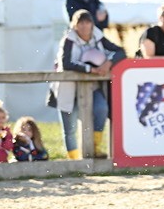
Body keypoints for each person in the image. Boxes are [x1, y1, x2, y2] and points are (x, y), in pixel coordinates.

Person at [49, 10, 122, 159]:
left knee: (101, 109)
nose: (84, 26)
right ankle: (74, 160)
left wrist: (108, 63)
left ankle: (95, 148)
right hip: (67, 88)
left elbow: (120, 51)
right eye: (80, 23)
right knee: (70, 128)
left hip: (91, 86)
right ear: (74, 25)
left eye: (87, 22)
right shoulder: (68, 40)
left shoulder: (98, 37)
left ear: (92, 24)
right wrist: (89, 69)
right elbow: (66, 63)